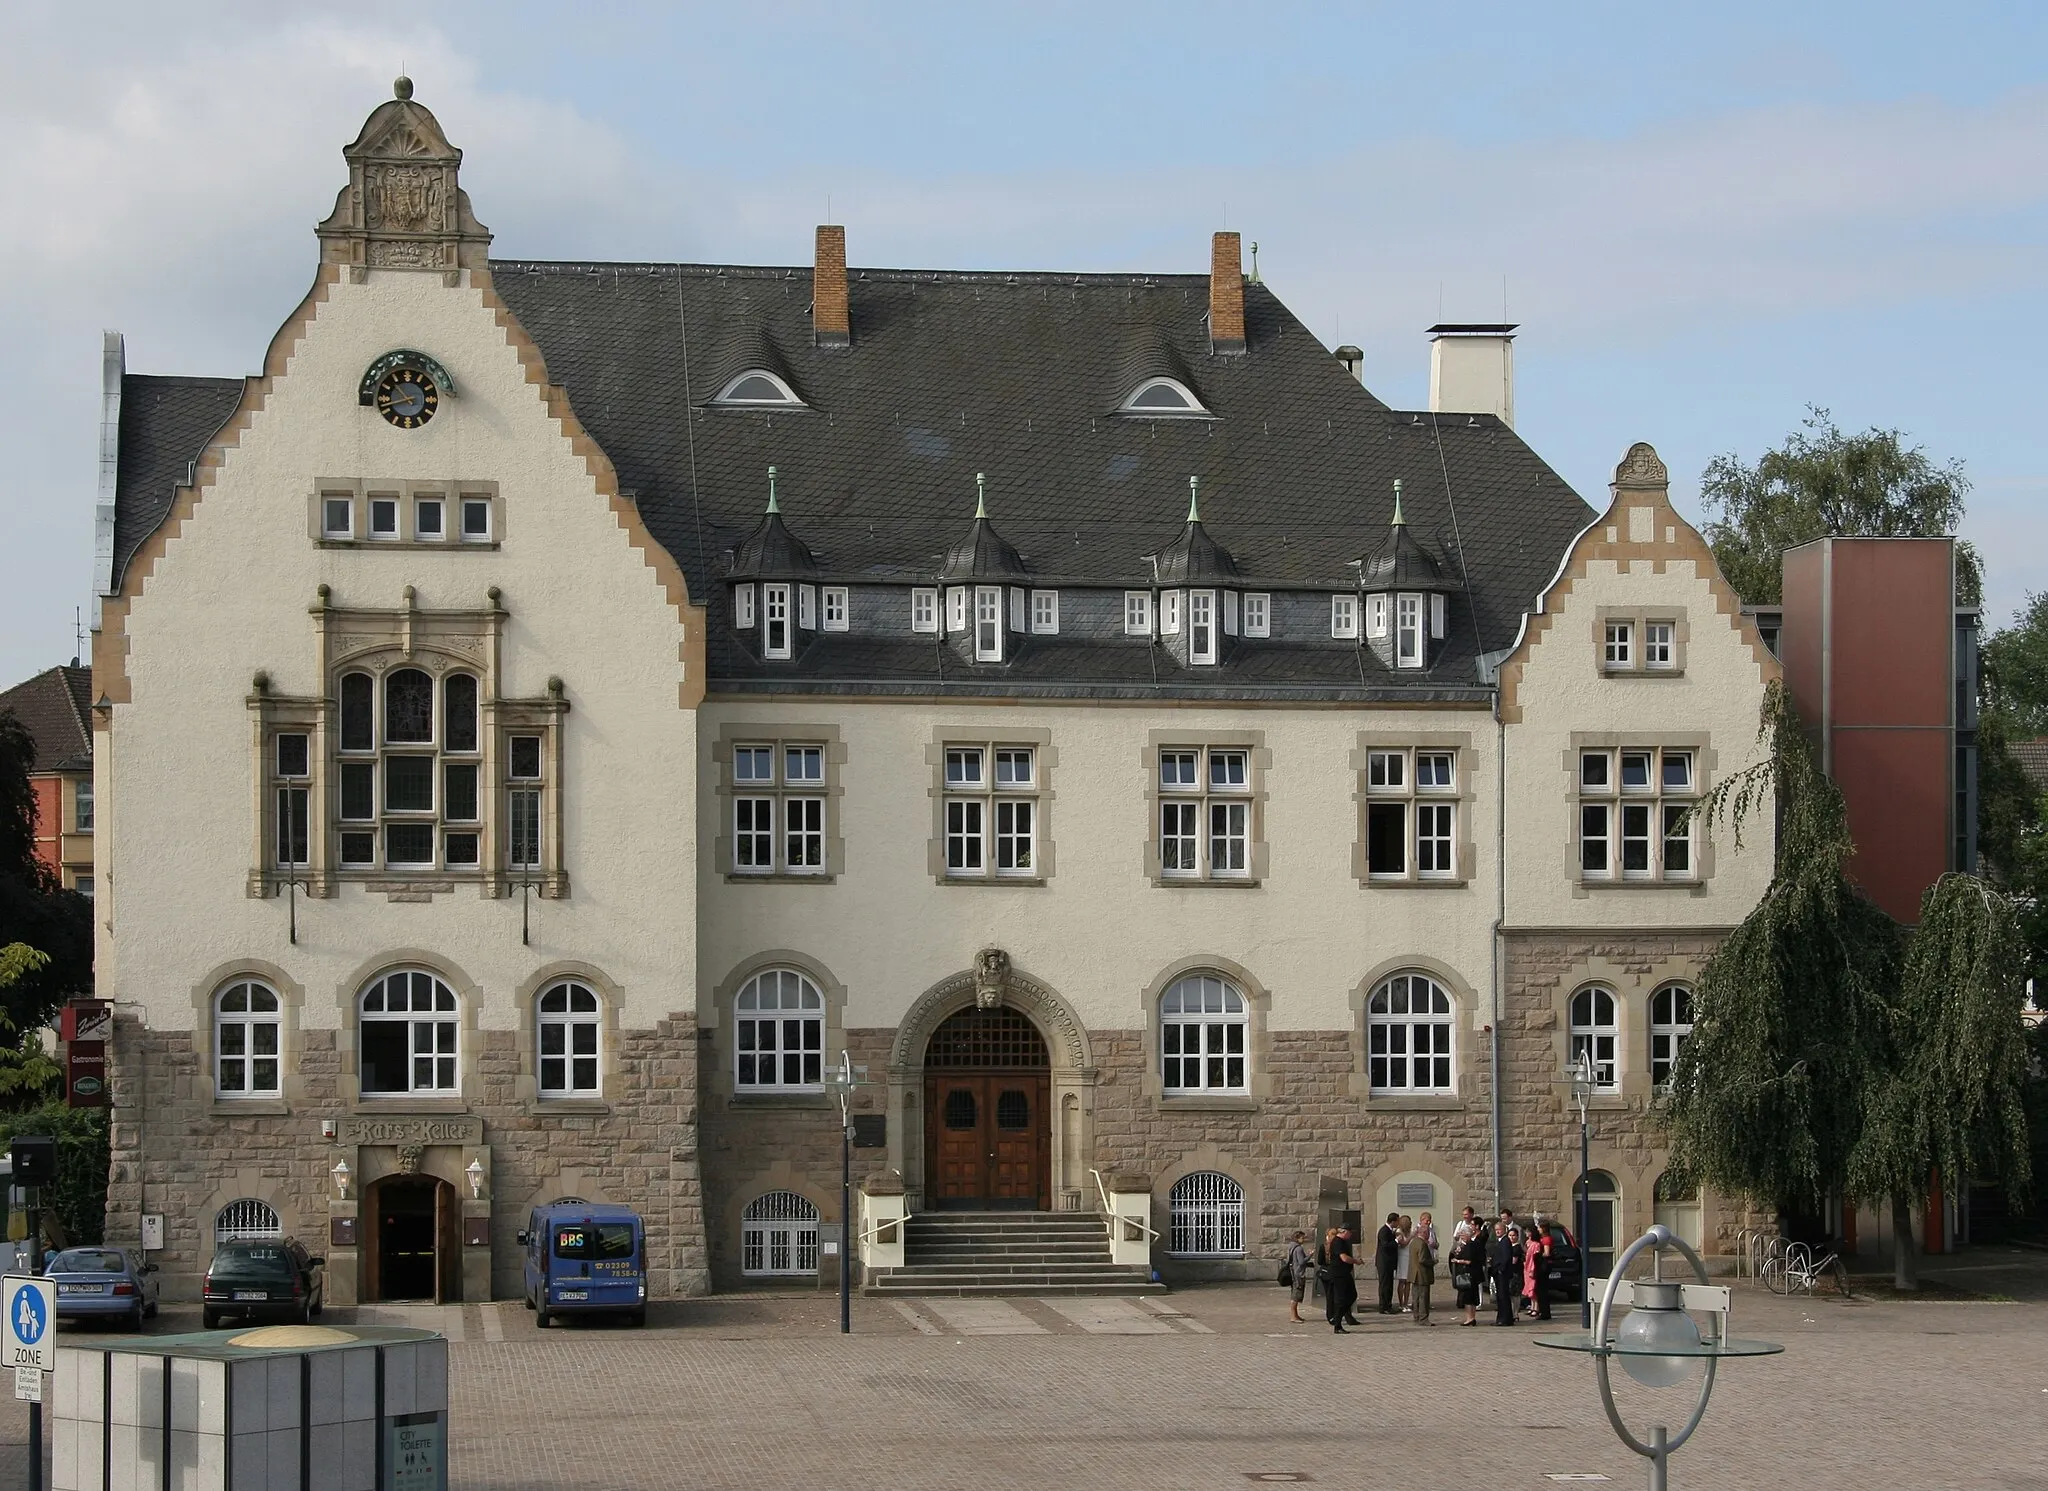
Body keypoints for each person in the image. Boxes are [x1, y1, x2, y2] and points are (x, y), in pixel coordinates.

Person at [1450, 1218, 1485, 1326]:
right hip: (1475, 1274)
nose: (1462, 1236)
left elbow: (1469, 1261)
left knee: (1468, 1298)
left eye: (1463, 1234)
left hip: (1469, 1274)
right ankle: (1472, 1317)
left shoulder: (1470, 1245)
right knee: (1473, 1297)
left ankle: (1469, 1318)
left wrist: (1458, 1261)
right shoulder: (1476, 1244)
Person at [1324, 1226, 1359, 1332]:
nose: (1351, 1235)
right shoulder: (1338, 1242)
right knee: (1342, 1299)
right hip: (1339, 1274)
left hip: (1344, 1273)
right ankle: (1337, 1323)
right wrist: (1356, 1261)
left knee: (1352, 1295)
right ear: (1344, 1232)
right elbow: (1344, 1258)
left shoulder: (1342, 1241)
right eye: (1350, 1232)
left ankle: (1338, 1317)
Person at [1490, 1221, 1522, 1326]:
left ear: (1504, 1230)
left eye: (1499, 1229)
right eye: (1496, 1230)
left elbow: (1506, 1257)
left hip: (1502, 1274)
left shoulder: (1505, 1241)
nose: (1498, 1231)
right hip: (1499, 1273)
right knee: (1501, 1296)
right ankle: (1503, 1318)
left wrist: (1501, 1270)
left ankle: (1504, 1319)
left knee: (1503, 1296)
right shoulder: (1500, 1241)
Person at [1411, 1211, 1437, 1324]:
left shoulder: (1413, 1242)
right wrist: (1433, 1261)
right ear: (1424, 1233)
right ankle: (1423, 1318)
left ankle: (1416, 1316)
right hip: (1422, 1274)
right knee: (1423, 1297)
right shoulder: (1422, 1244)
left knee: (1416, 1297)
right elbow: (1422, 1259)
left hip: (1413, 1274)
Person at [1526, 1214, 1554, 1321]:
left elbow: (1547, 1253)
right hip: (1543, 1266)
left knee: (1542, 1290)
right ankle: (1543, 1311)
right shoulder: (1544, 1238)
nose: (1538, 1230)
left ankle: (1544, 1312)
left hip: (1543, 1266)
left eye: (1539, 1228)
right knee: (1541, 1290)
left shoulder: (1546, 1239)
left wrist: (1538, 1254)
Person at [1285, 1230, 1314, 1323]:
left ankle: (1296, 1315)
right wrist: (1310, 1255)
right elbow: (1301, 1262)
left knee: (1295, 1294)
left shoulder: (1291, 1247)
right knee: (1296, 1296)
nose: (1304, 1240)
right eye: (1302, 1238)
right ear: (1297, 1238)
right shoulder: (1299, 1249)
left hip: (1293, 1273)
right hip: (1298, 1274)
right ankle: (1293, 1316)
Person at [1374, 1212, 1400, 1314]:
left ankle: (1388, 1305)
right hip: (1384, 1263)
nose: (1398, 1223)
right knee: (1384, 1285)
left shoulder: (1389, 1231)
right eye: (1397, 1221)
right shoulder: (1384, 1231)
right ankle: (1383, 1306)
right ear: (1393, 1221)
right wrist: (1396, 1241)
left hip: (1388, 1263)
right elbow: (1385, 1245)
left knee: (1389, 1284)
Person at [1394, 1214, 1413, 1311]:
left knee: (1408, 1282)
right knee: (1402, 1281)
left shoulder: (1410, 1231)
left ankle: (1406, 1302)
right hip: (1402, 1258)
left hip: (1409, 1257)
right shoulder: (1398, 1232)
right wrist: (1411, 1237)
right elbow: (1403, 1244)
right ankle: (1401, 1303)